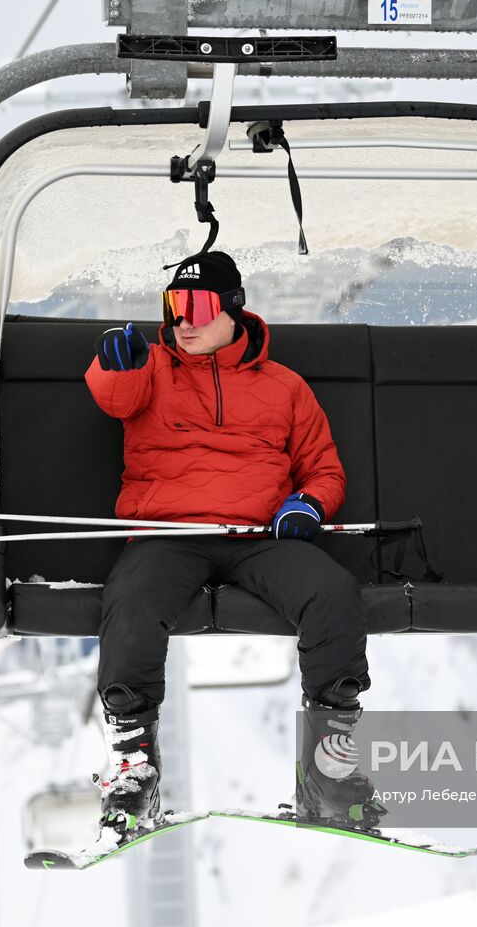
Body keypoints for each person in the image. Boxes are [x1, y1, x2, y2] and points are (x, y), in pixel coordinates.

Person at [85, 250, 377, 839]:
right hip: (169, 535)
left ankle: (329, 764)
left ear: (234, 309)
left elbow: (324, 469)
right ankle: (134, 766)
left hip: (257, 536)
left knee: (331, 592)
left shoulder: (285, 387)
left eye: (196, 306)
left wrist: (308, 505)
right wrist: (112, 363)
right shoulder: (150, 369)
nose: (182, 321)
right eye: (174, 305)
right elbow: (114, 395)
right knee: (132, 600)